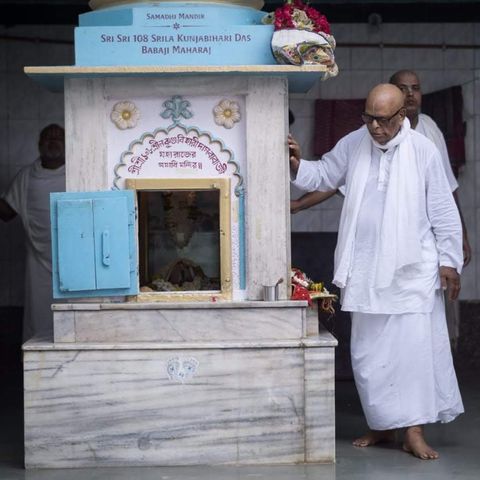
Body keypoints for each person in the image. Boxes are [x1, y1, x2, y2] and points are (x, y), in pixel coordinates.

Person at [289, 84, 464, 460]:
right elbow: (324, 175)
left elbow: (443, 209)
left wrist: (449, 261)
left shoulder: (423, 151)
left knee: (412, 352)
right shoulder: (355, 141)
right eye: (368, 118)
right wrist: (297, 164)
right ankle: (383, 425)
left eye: (382, 120)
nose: (374, 127)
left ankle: (413, 431)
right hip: (365, 269)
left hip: (412, 272)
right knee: (369, 354)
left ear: (401, 116)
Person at [0, 124, 66, 342]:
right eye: (48, 138)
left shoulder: (78, 172)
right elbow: (7, 212)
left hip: (72, 258)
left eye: (59, 138)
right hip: (38, 261)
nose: (53, 142)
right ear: (39, 145)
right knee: (40, 312)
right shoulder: (27, 176)